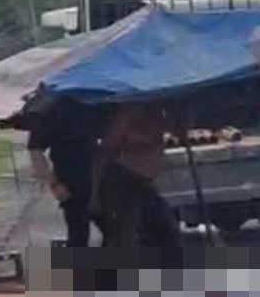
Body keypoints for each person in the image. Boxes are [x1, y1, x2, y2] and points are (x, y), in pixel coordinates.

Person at [91, 103, 181, 248]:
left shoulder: (160, 112)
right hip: (121, 180)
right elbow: (106, 150)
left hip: (144, 183)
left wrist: (183, 109)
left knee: (167, 231)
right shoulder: (128, 112)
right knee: (124, 237)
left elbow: (179, 130)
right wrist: (95, 194)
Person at [28, 100, 100, 248]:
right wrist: (54, 184)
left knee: (117, 230)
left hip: (101, 176)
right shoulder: (54, 110)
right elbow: (35, 150)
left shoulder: (96, 103)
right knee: (79, 233)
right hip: (72, 181)